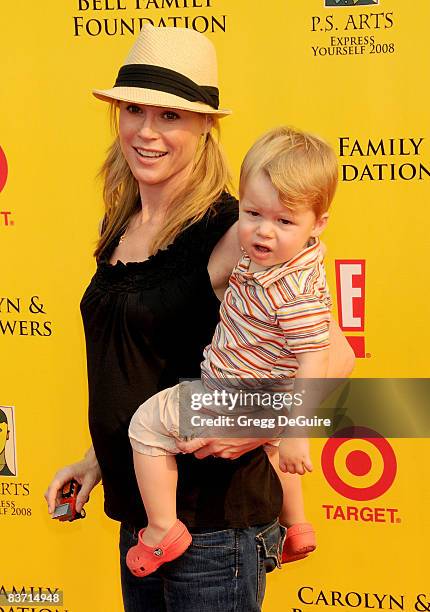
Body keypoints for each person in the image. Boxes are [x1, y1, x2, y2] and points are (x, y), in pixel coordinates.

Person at [45, 24, 355, 612]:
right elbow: (140, 366)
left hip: (215, 531)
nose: (146, 131)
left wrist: (260, 427)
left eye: (171, 116)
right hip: (145, 523)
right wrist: (95, 462)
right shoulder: (122, 223)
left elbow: (334, 353)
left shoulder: (234, 230)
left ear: (206, 125)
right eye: (134, 109)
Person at [125, 126, 337, 577]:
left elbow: (319, 358)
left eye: (284, 221)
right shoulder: (279, 259)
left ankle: (163, 528)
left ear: (318, 223)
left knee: (146, 425)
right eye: (252, 213)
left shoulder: (294, 291)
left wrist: (299, 431)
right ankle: (296, 525)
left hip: (231, 394)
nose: (262, 232)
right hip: (261, 391)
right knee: (275, 451)